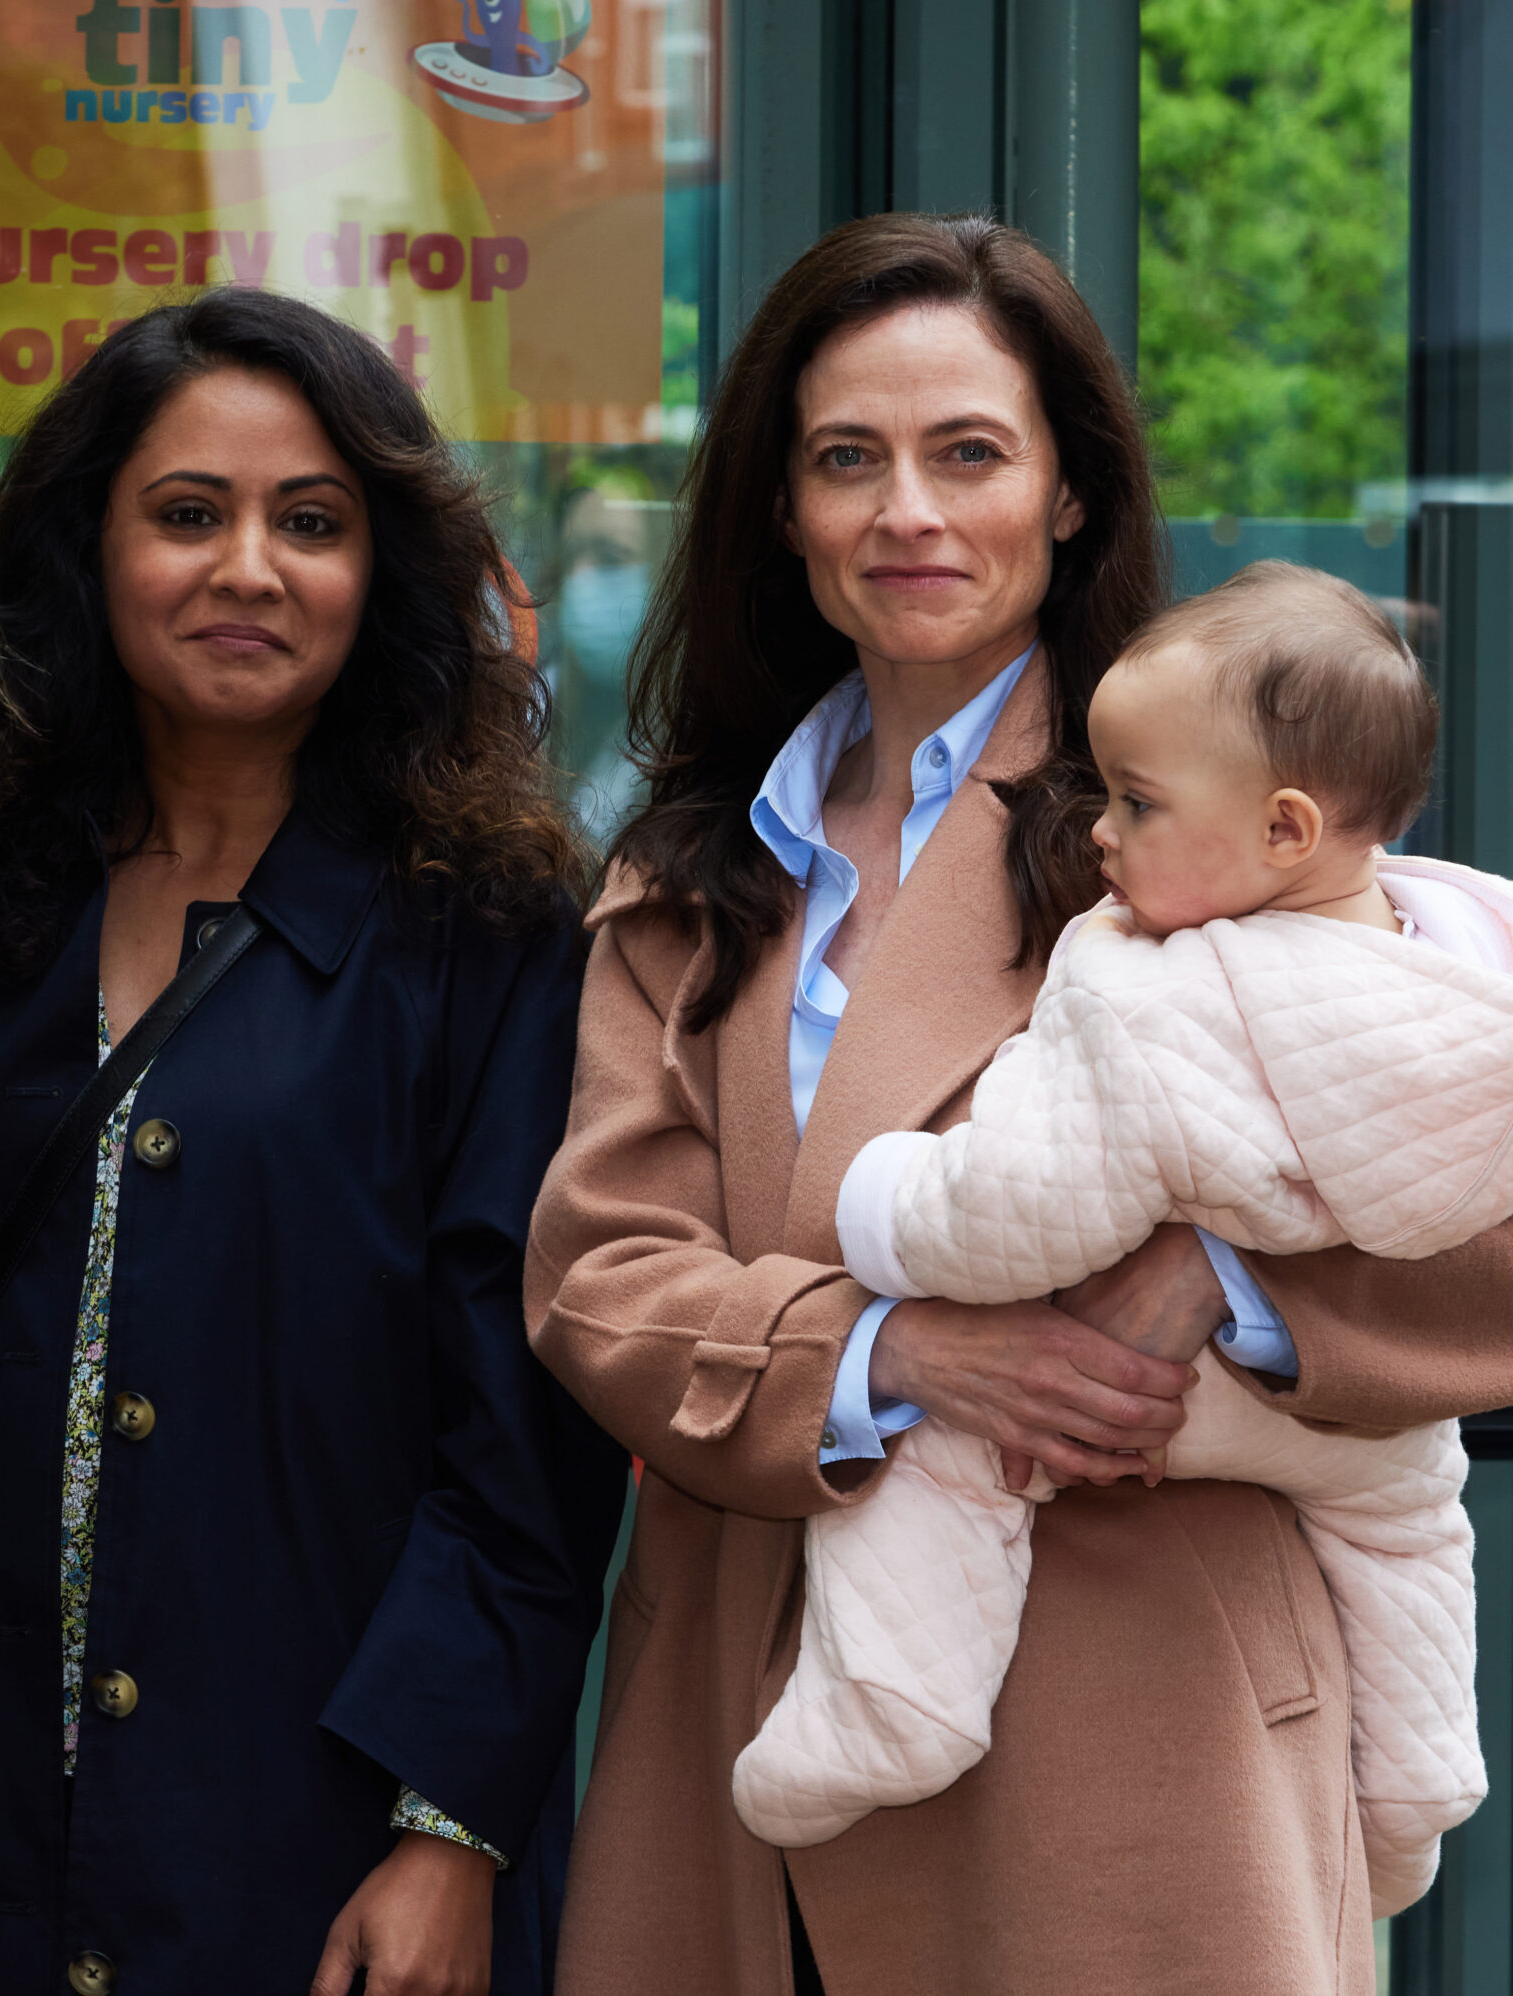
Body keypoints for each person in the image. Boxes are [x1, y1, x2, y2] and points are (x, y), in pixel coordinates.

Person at [523, 211, 1513, 1995]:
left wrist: (1221, 1292)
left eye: (968, 452)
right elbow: (601, 1277)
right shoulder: (684, 867)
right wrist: (908, 1351)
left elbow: (1477, 1207)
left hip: (1146, 1752)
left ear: (1067, 491)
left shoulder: (1212, 820)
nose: (908, 511)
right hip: (744, 1733)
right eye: (849, 460)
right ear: (781, 506)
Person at [0, 287, 625, 1996]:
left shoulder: (487, 927)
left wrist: (446, 1826)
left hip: (315, 1816)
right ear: (90, 549)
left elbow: (529, 1431)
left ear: (380, 571)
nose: (248, 568)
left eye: (311, 524)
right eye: (188, 513)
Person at [747, 562, 1503, 1910]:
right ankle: (1418, 1783)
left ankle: (896, 1700)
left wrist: (878, 1201)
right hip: (1363, 1431)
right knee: (1409, 1538)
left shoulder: (1166, 995)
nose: (1102, 831)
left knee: (956, 1454)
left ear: (1282, 829)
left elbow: (1021, 1214)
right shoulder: (1466, 951)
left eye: (1138, 804)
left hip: (1157, 1402)